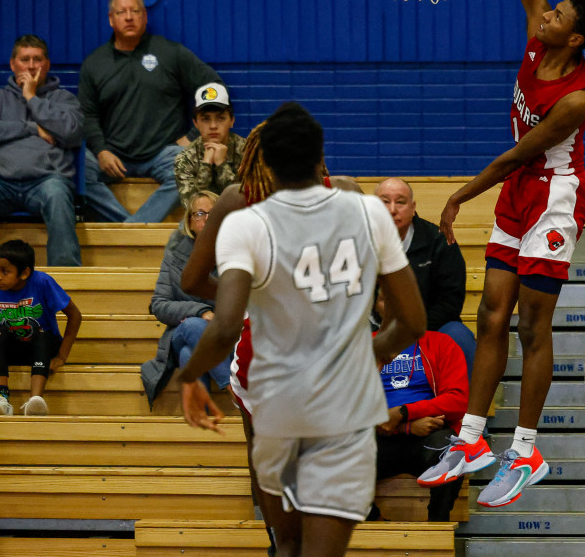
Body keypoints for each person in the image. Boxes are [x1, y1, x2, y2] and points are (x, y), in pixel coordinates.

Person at [417, 0, 585, 509]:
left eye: (561, 14)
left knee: (534, 326)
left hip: (555, 201)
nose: (549, 11)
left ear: (575, 38)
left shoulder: (576, 97)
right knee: (490, 315)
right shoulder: (540, 35)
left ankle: (526, 449)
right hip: (516, 195)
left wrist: (457, 196)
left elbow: (515, 155)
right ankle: (473, 437)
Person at [178, 101, 426, 557]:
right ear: (320, 156)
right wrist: (369, 354)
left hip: (268, 376)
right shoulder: (356, 200)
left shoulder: (241, 202)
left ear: (261, 158)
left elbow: (200, 293)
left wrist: (192, 373)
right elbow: (411, 320)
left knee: (287, 539)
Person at [78, 0, 220, 223]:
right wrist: (101, 150)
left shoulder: (170, 53)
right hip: (113, 156)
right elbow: (87, 116)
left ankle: (130, 228)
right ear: (111, 19)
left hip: (162, 153)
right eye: (122, 13)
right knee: (77, 168)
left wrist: (195, 134)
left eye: (135, 11)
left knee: (192, 168)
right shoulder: (94, 63)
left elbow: (214, 88)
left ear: (144, 16)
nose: (129, 17)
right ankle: (132, 227)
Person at [0, 35, 82, 267]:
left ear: (47, 64)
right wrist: (31, 128)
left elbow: (72, 132)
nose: (31, 66)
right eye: (25, 59)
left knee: (58, 195)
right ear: (13, 65)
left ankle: (66, 273)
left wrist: (31, 97)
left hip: (46, 181)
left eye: (37, 59)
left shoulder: (64, 99)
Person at [373, 286, 469, 523]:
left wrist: (404, 412)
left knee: (452, 450)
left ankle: (437, 525)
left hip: (428, 438)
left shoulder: (440, 343)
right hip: (375, 439)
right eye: (385, 299)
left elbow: (457, 400)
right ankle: (372, 520)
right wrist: (407, 425)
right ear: (375, 306)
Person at [374, 178, 475, 374]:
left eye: (400, 202)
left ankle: (467, 404)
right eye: (384, 202)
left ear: (413, 208)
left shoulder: (439, 241)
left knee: (459, 335)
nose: (392, 209)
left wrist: (409, 331)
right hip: (372, 328)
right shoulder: (355, 240)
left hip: (429, 328)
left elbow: (449, 303)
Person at [141, 191, 233, 406]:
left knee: (188, 354)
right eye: (200, 214)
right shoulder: (175, 255)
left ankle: (200, 418)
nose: (207, 219)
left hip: (227, 333)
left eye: (214, 213)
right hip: (183, 330)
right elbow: (160, 304)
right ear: (190, 222)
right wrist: (200, 311)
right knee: (194, 326)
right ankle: (232, 388)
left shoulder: (238, 252)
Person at [0, 240, 81, 416]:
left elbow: (75, 315)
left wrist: (61, 357)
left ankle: (35, 401)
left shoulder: (43, 282)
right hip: (11, 348)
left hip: (42, 348)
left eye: (5, 271)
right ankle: (1, 399)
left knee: (41, 334)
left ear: (24, 273)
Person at [174, 83, 249, 209]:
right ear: (196, 123)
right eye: (205, 119)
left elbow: (245, 202)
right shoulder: (185, 159)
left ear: (232, 121)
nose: (213, 125)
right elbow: (192, 207)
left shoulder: (247, 152)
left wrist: (221, 165)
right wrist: (206, 165)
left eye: (220, 118)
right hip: (203, 222)